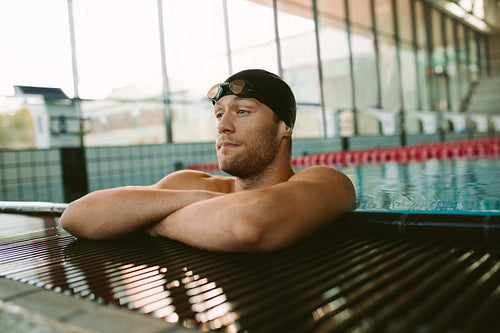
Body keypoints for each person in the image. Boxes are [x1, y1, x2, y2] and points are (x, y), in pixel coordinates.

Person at [60, 69, 356, 252]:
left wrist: (148, 220)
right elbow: (75, 217)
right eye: (219, 114)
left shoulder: (326, 180)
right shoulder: (190, 184)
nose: (222, 126)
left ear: (284, 127)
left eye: (242, 111)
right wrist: (199, 200)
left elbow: (248, 225)